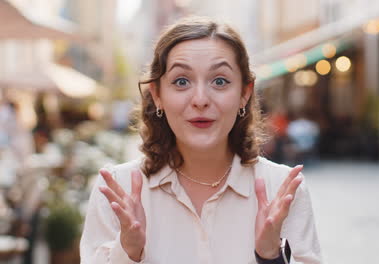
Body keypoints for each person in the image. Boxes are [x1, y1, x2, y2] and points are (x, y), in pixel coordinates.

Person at [80, 16, 322, 264]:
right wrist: (129, 251)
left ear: (244, 94)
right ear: (158, 95)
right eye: (181, 81)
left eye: (220, 81)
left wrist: (270, 257)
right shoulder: (116, 192)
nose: (200, 99)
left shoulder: (283, 191)